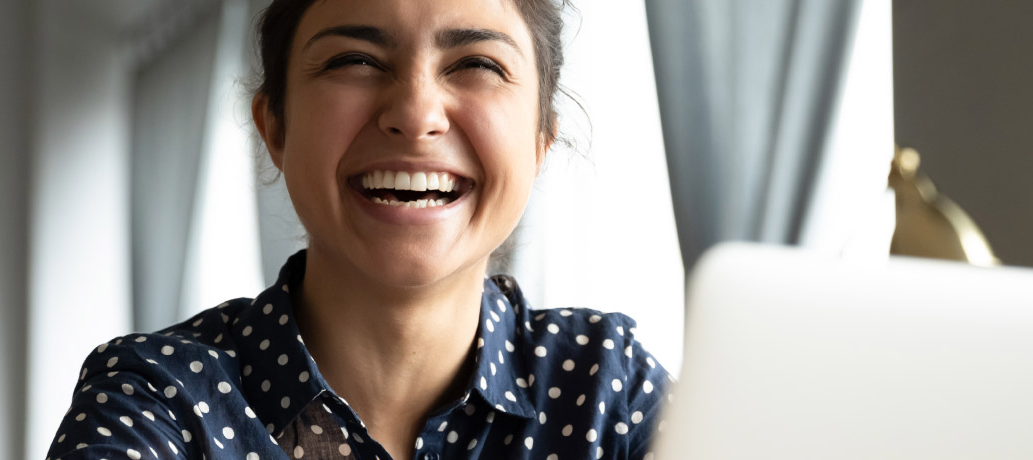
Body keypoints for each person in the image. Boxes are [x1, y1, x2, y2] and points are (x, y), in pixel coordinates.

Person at [46, 0, 670, 458]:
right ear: (274, 129)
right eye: (354, 60)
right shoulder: (155, 400)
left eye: (476, 62)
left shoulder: (606, 390)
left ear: (541, 140)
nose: (416, 114)